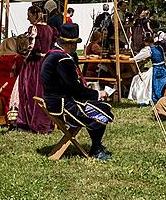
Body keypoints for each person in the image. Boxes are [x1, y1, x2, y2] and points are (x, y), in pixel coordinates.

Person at [40, 22, 114, 161]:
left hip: (55, 101)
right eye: (74, 44)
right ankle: (96, 149)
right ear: (68, 44)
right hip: (63, 105)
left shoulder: (52, 54)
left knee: (98, 107)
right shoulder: (62, 59)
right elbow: (75, 90)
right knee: (102, 110)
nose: (75, 47)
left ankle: (97, 146)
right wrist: (99, 94)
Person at [14, 4, 56, 133]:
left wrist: (23, 56)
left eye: (29, 15)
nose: (28, 18)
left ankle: (32, 122)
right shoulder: (50, 29)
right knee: (43, 92)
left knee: (31, 92)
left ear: (34, 14)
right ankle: (46, 122)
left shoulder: (34, 28)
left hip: (34, 65)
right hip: (47, 63)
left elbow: (30, 48)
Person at [127, 31, 166, 106]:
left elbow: (137, 58)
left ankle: (144, 96)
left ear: (146, 42)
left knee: (138, 78)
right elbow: (164, 59)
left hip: (156, 71)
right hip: (164, 70)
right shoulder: (159, 48)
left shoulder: (148, 49)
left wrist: (130, 59)